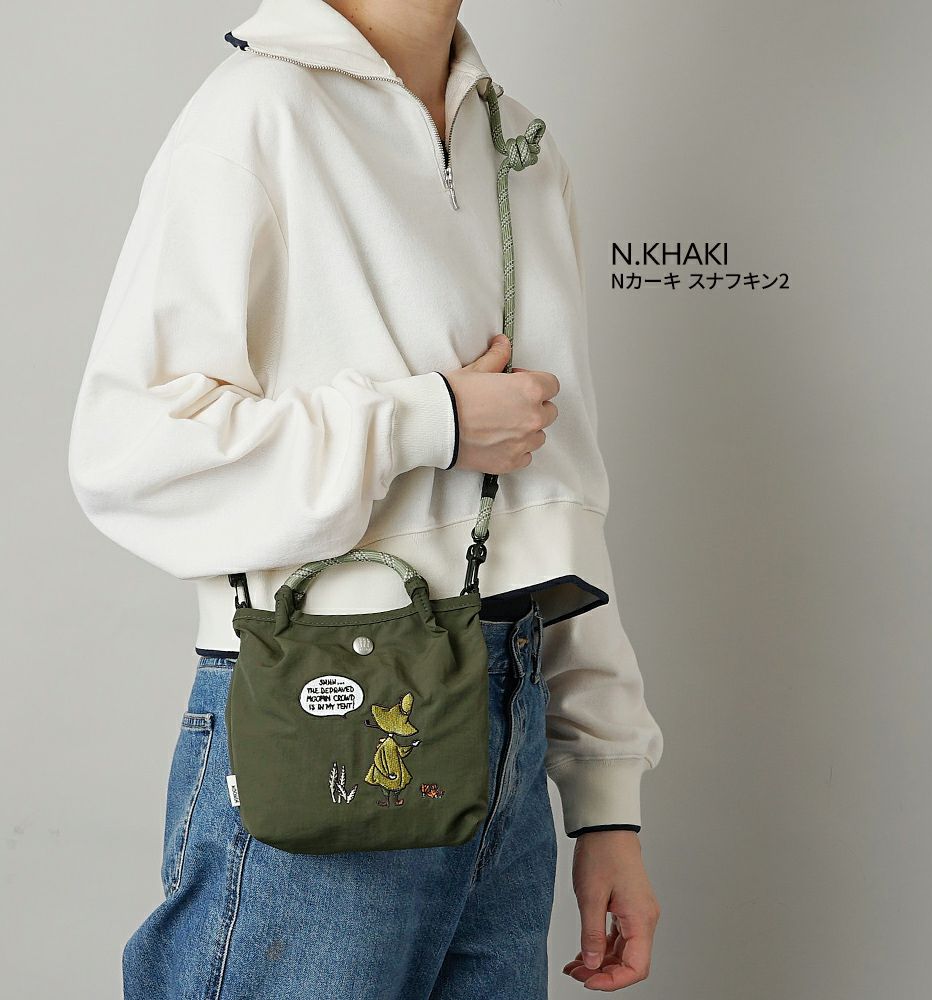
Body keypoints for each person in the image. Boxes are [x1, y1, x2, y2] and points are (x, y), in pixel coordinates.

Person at [67, 0, 664, 995]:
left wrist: (606, 802)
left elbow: (555, 499)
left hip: (507, 730)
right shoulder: (256, 112)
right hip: (327, 709)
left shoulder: (519, 144)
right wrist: (423, 421)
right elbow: (128, 452)